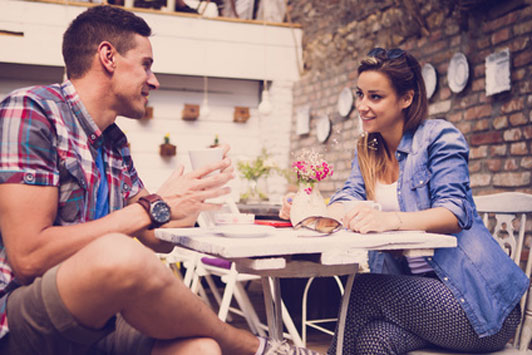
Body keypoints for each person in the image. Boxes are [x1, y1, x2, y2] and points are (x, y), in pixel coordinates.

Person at [0, 5, 319, 355]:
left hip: (100, 315)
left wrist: (191, 196)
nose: (154, 80)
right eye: (146, 65)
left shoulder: (115, 142)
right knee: (119, 252)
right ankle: (259, 347)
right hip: (20, 312)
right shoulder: (33, 110)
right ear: (108, 57)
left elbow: (156, 238)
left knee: (201, 349)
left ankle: (247, 346)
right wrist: (154, 208)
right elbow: (27, 256)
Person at [280, 48, 529, 354]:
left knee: (362, 288)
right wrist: (312, 213)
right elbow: (348, 197)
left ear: (406, 98)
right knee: (373, 341)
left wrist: (390, 221)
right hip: (420, 303)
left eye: (375, 97)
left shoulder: (439, 138)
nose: (362, 106)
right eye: (360, 94)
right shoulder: (369, 149)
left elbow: (454, 212)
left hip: (478, 305)